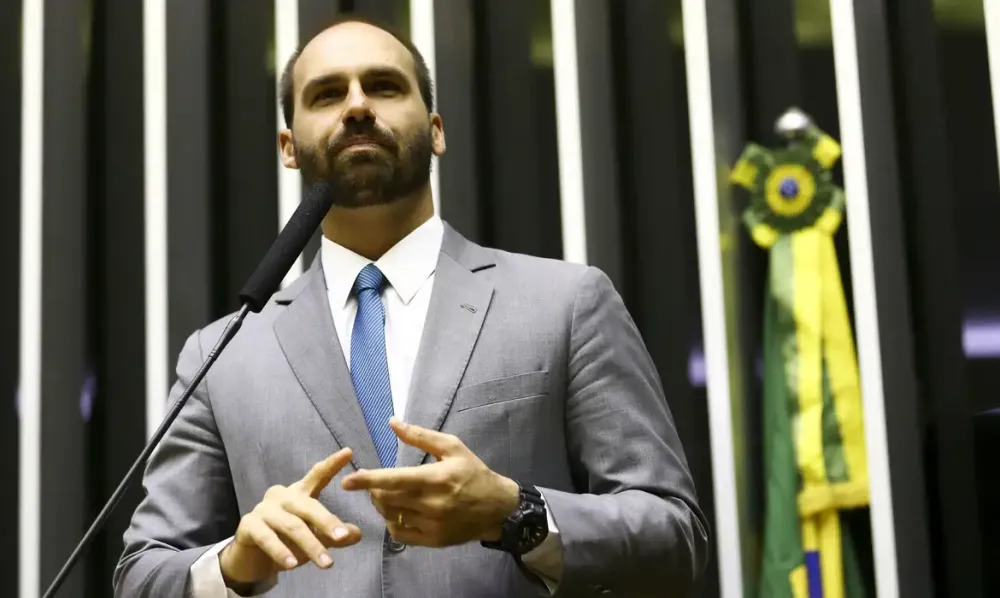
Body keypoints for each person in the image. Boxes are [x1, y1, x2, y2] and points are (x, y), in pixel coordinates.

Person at [113, 15, 710, 598]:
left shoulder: (568, 304)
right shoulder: (223, 351)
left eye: (383, 86)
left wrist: (515, 511)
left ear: (437, 129)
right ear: (288, 148)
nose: (356, 106)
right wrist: (235, 563)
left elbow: (675, 537)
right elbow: (141, 574)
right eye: (327, 94)